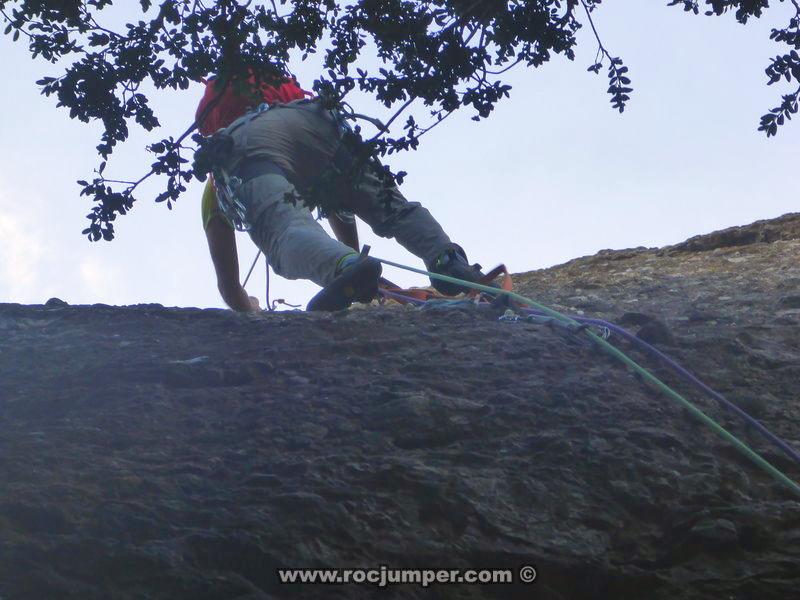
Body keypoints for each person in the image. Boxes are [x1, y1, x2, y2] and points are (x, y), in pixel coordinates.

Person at [195, 69, 488, 312]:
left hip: (244, 144)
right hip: (315, 120)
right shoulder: (290, 104)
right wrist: (355, 259)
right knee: (391, 208)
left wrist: (249, 308)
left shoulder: (219, 171)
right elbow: (339, 203)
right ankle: (446, 259)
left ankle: (342, 265)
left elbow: (229, 284)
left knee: (285, 232)